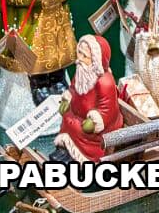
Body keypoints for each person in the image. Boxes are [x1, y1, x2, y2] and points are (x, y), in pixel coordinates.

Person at [50, 34, 122, 163]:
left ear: (95, 60)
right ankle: (65, 149)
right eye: (79, 53)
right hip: (78, 114)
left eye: (85, 56)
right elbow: (73, 88)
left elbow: (108, 108)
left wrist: (96, 121)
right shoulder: (81, 72)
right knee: (67, 120)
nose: (80, 59)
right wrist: (68, 99)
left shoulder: (104, 81)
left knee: (81, 131)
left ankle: (81, 157)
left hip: (98, 126)